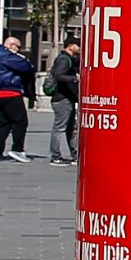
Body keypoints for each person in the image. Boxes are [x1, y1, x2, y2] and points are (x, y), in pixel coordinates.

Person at [0, 34, 34, 162]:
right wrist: (24, 61)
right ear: (11, 45)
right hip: (11, 92)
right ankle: (17, 149)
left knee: (4, 124)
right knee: (20, 122)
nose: (18, 50)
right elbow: (26, 67)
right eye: (18, 47)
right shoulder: (6, 55)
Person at [45, 37, 83, 165]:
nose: (80, 48)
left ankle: (75, 154)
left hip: (67, 98)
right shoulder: (63, 59)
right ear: (71, 46)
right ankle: (55, 155)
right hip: (62, 98)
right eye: (78, 45)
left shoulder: (70, 59)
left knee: (72, 128)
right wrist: (75, 78)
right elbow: (59, 76)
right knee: (60, 127)